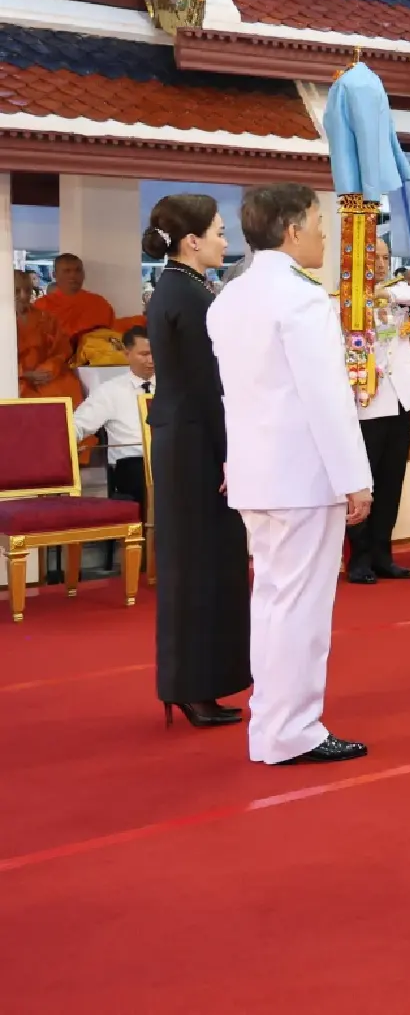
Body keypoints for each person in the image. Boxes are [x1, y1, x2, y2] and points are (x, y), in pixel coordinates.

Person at [208, 184, 373, 764]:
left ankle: (273, 728)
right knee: (300, 609)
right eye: (318, 222)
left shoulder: (229, 297)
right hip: (303, 475)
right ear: (292, 229)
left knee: (275, 602)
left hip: (258, 472)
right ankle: (293, 730)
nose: (325, 233)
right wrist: (356, 477)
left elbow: (235, 397)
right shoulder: (301, 300)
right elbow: (326, 397)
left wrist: (235, 460)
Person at [142, 194, 249, 730]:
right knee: (196, 567)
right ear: (192, 241)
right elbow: (209, 386)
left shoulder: (179, 288)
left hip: (185, 435)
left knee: (202, 563)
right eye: (220, 233)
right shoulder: (188, 295)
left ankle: (194, 683)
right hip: (195, 440)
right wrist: (231, 451)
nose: (226, 243)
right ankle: (190, 685)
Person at [348, 235, 410, 585]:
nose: (382, 264)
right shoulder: (347, 301)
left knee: (391, 482)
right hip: (366, 402)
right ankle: (359, 557)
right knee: (363, 483)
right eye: (375, 258)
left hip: (400, 399)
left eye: (385, 257)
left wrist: (387, 293)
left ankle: (383, 554)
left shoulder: (398, 293)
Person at [72, 325, 154, 513]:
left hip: (170, 458)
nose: (151, 360)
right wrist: (63, 445)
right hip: (132, 463)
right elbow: (78, 425)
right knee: (142, 475)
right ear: (127, 354)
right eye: (144, 354)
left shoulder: (173, 387)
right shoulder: (110, 391)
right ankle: (149, 538)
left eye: (156, 353)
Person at [14, 270, 83, 405]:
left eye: (27, 290)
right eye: (16, 291)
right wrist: (23, 373)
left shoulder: (46, 318)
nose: (23, 296)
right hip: (14, 378)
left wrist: (49, 369)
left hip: (46, 375)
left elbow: (62, 350)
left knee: (68, 389)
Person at [34, 252, 116, 353]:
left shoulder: (99, 303)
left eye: (78, 270)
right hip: (57, 362)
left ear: (83, 274)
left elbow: (112, 336)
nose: (73, 275)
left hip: (94, 361)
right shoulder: (42, 305)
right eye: (66, 271)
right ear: (54, 275)